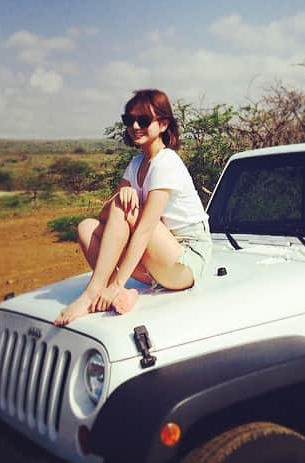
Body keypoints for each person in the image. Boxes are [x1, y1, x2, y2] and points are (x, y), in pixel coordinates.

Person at [54, 89, 212, 326]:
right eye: (129, 120)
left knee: (126, 205)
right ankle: (116, 292)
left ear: (163, 124)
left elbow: (145, 230)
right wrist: (122, 193)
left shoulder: (166, 162)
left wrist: (119, 282)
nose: (135, 125)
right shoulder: (137, 162)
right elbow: (106, 217)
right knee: (87, 227)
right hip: (157, 259)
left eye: (144, 120)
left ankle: (95, 293)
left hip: (186, 260)